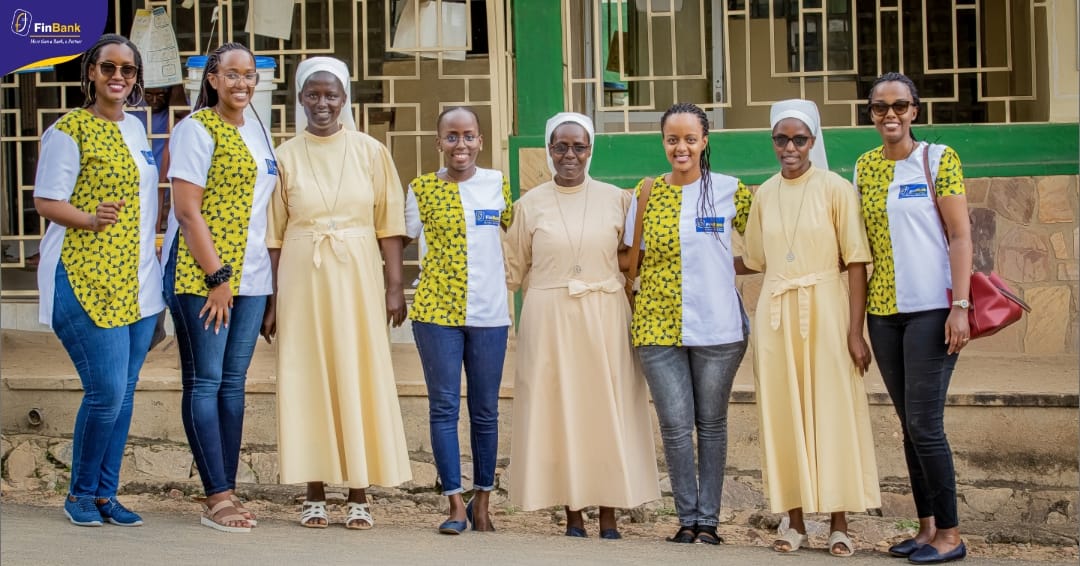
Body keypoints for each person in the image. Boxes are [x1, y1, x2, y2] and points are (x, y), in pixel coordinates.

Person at [264, 56, 412, 530]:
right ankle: (313, 490)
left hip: (357, 275)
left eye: (331, 95)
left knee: (357, 372)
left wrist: (395, 287)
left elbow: (390, 224)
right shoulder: (284, 156)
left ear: (344, 99)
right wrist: (270, 299)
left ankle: (358, 491)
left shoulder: (371, 151)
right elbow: (273, 234)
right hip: (301, 276)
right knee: (309, 375)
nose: (322, 103)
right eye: (313, 94)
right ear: (300, 98)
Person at [502, 112, 659, 539]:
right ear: (549, 151)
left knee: (607, 412)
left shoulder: (617, 199)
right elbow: (512, 270)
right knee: (561, 411)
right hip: (549, 317)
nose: (569, 155)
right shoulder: (528, 205)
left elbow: (633, 256)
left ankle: (609, 512)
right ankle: (573, 512)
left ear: (591, 150)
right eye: (560, 147)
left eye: (579, 147)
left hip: (604, 313)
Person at [33, 33, 164, 528]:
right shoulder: (69, 130)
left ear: (136, 79)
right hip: (84, 276)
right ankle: (80, 494)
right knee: (106, 390)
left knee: (125, 392)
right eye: (108, 68)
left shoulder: (136, 129)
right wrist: (90, 218)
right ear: (90, 72)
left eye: (127, 71)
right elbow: (47, 201)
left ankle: (108, 495)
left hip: (135, 280)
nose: (118, 78)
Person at [742, 99, 880, 557]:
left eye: (799, 138)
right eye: (780, 138)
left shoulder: (837, 188)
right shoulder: (763, 194)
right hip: (777, 312)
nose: (789, 147)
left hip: (826, 309)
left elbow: (857, 261)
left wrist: (855, 332)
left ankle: (839, 524)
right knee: (783, 414)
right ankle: (794, 522)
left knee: (832, 411)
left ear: (813, 140)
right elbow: (756, 259)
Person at [854, 72, 972, 564]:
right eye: (880, 107)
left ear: (915, 111)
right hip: (884, 313)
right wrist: (855, 326)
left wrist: (960, 307)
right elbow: (859, 253)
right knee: (908, 424)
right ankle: (925, 528)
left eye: (899, 106)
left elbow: (961, 236)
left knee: (926, 425)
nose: (890, 115)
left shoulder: (938, 159)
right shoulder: (863, 168)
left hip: (933, 310)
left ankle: (951, 534)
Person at [161, 42, 277, 534]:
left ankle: (225, 486)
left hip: (252, 280)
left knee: (233, 385)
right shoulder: (194, 130)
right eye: (231, 75)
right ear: (211, 80)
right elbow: (188, 211)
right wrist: (217, 279)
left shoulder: (257, 130)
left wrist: (264, 288)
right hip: (203, 279)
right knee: (206, 382)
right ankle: (217, 496)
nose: (242, 83)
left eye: (249, 75)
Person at [623, 102, 751, 546]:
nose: (681, 147)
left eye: (690, 139)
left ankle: (709, 523)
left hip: (719, 327)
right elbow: (626, 257)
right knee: (675, 427)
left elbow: (765, 245)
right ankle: (687, 519)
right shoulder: (644, 193)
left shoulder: (731, 190)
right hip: (657, 328)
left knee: (712, 424)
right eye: (672, 139)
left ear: (705, 141)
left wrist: (723, 267)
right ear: (663, 142)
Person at [404, 106, 511, 534]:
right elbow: (398, 237)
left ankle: (483, 501)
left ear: (480, 141)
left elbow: (519, 235)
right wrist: (395, 289)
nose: (460, 145)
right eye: (451, 137)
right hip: (435, 314)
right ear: (439, 143)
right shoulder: (421, 189)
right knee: (444, 407)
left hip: (489, 314)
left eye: (468, 136)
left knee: (485, 411)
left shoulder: (498, 185)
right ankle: (454, 504)